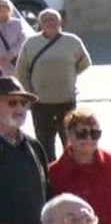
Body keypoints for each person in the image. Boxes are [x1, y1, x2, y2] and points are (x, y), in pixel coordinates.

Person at [15, 8, 91, 161]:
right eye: (46, 19)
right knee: (44, 144)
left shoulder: (72, 41)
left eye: (53, 19)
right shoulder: (31, 43)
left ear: (60, 21)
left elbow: (85, 63)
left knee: (70, 142)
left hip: (66, 101)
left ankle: (72, 175)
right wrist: (30, 93)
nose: (50, 22)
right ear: (40, 24)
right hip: (41, 102)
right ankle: (50, 177)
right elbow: (21, 71)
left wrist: (69, 76)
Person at [0, 0, 34, 78]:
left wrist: (11, 53)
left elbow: (23, 40)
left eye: (5, 8)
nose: (2, 11)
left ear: (9, 9)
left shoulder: (17, 23)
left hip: (16, 62)